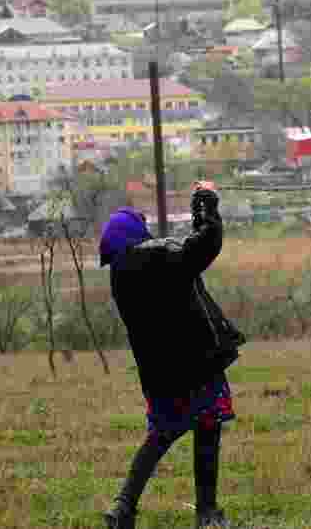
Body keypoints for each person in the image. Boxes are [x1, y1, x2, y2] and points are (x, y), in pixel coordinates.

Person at [100, 184, 243, 529]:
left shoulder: (120, 275)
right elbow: (201, 248)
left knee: (161, 434)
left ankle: (123, 508)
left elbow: (182, 253)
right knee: (207, 427)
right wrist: (206, 202)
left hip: (160, 375)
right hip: (196, 364)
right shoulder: (155, 256)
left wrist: (199, 213)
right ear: (132, 233)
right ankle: (207, 513)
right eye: (140, 223)